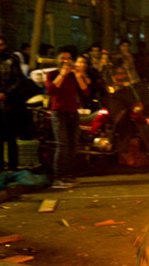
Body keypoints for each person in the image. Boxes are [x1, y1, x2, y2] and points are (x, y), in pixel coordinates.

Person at [45, 49, 90, 188]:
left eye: (69, 58)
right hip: (59, 113)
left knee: (72, 145)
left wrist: (78, 75)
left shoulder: (72, 76)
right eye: (63, 58)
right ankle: (58, 177)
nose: (66, 61)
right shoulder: (52, 74)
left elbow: (86, 91)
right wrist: (62, 74)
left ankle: (68, 175)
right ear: (58, 60)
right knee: (62, 144)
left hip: (73, 112)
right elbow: (51, 90)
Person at [0, 36, 25, 171]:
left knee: (10, 136)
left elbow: (19, 80)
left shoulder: (12, 60)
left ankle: (13, 165)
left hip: (10, 103)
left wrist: (6, 94)